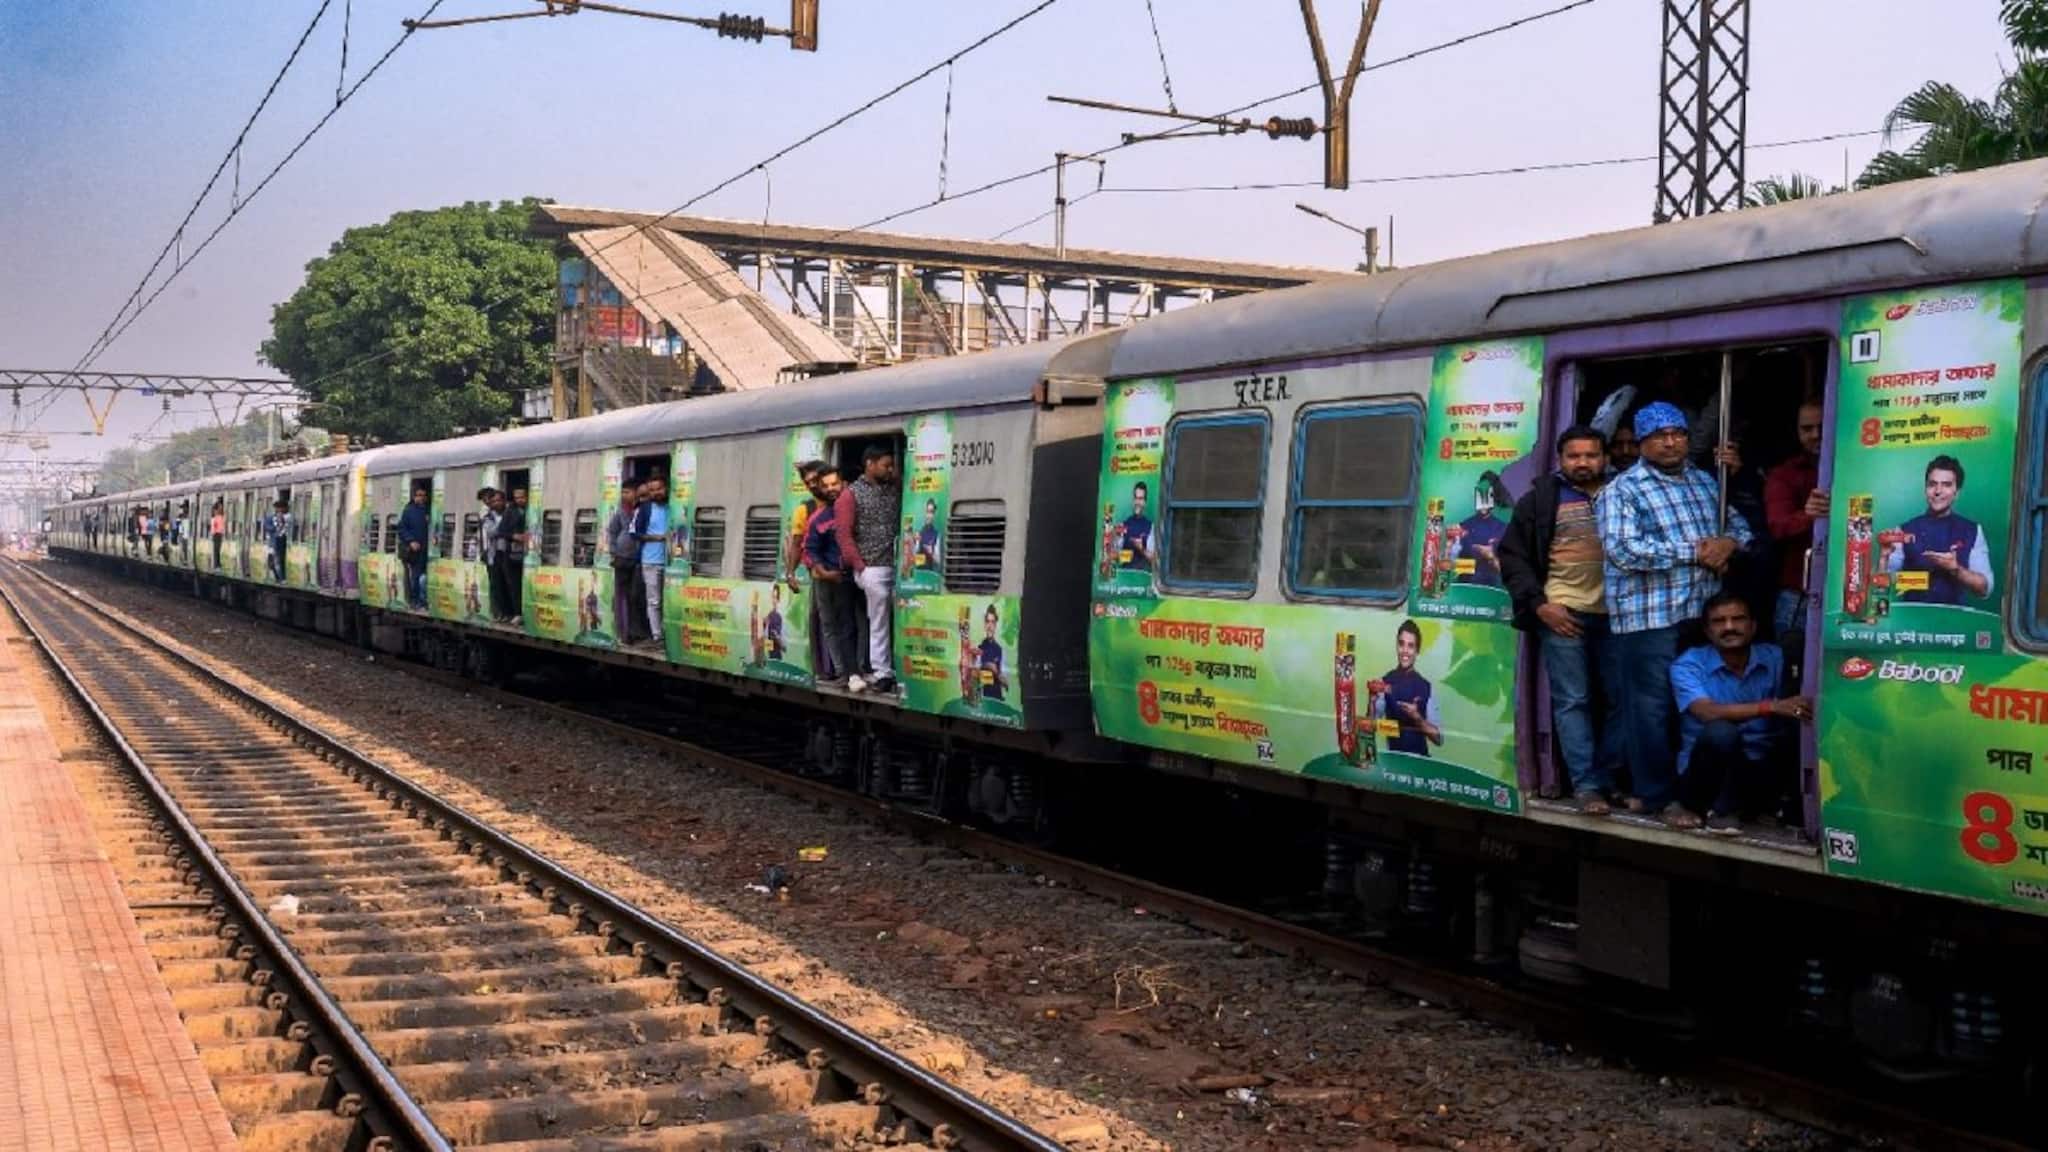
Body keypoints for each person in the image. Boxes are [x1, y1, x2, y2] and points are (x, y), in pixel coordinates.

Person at [1596, 402, 1754, 829]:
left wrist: (1728, 544)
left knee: (1698, 704)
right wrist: (1696, 552)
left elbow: (1739, 529)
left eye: (1678, 433)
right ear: (1642, 443)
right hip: (1649, 618)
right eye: (1659, 436)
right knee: (1650, 711)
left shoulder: (1704, 481)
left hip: (1699, 614)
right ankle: (1657, 797)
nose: (1670, 442)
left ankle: (1700, 793)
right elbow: (1623, 550)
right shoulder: (1622, 489)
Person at [1499, 425, 1624, 814]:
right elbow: (1512, 557)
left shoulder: (1624, 491)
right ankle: (1587, 787)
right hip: (1563, 612)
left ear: (1605, 458)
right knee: (1574, 701)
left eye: (1591, 455)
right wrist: (1540, 605)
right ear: (1561, 460)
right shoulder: (1539, 500)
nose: (1583, 462)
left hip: (1620, 615)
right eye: (1574, 456)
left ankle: (1611, 780)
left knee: (1623, 700)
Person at [1668, 592, 1812, 833]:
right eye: (1719, 621)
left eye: (1738, 619)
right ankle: (1716, 810)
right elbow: (1707, 712)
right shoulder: (1689, 664)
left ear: (1753, 626)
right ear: (1707, 631)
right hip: (1705, 776)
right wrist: (1771, 706)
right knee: (1721, 732)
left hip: (1757, 768)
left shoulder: (1775, 658)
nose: (1729, 627)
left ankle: (1782, 808)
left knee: (1801, 722)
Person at [835, 445, 901, 694]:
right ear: (869, 464)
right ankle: (882, 671)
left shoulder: (892, 488)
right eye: (886, 465)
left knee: (891, 618)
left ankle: (890, 668)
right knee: (879, 620)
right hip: (872, 567)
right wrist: (860, 566)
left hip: (897, 565)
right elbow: (843, 533)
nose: (890, 470)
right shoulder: (850, 494)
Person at [1884, 454, 1992, 605]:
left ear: (1956, 492)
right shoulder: (1904, 530)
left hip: (1954, 618)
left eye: (1946, 485)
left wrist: (1955, 569)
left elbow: (1984, 588)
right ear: (1925, 489)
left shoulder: (1972, 530)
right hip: (1913, 618)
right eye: (1932, 484)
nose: (1938, 491)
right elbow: (1884, 584)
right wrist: (1884, 557)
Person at [1762, 400, 1829, 641]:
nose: (1816, 435)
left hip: (1853, 587)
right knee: (1794, 661)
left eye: (1823, 426)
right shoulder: (1785, 474)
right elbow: (1778, 526)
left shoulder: (1860, 467)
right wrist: (1808, 515)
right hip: (1800, 593)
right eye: (1807, 429)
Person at [804, 466, 855, 686]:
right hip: (827, 577)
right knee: (831, 624)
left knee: (854, 623)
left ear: (843, 484)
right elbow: (810, 549)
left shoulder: (854, 509)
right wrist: (824, 572)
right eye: (825, 486)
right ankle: (842, 671)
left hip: (851, 576)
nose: (830, 489)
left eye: (834, 484)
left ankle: (859, 669)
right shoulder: (818, 518)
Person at [1371, 619, 1442, 756]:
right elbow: (1370, 727)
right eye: (1401, 644)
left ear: (1417, 651)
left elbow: (1439, 739)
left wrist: (1417, 718)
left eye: (1410, 646)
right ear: (1396, 645)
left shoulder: (1427, 688)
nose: (1405, 651)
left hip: (1420, 763)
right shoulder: (1384, 682)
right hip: (1393, 762)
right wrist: (1372, 701)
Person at [1454, 471, 1512, 587]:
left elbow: (1508, 572)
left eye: (1488, 494)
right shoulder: (1463, 526)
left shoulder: (1503, 528)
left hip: (1492, 590)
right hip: (1465, 588)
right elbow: (1456, 566)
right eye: (1480, 494)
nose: (1483, 499)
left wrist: (1491, 558)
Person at [606, 482, 644, 643]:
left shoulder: (643, 509)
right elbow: (612, 530)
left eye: (627, 492)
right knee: (625, 595)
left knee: (636, 595)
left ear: (636, 492)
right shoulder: (621, 511)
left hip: (639, 557)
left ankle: (638, 630)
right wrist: (614, 551)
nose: (624, 495)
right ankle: (626, 632)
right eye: (622, 492)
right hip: (622, 558)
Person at [634, 477, 669, 649]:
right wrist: (658, 538)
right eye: (652, 490)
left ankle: (667, 633)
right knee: (654, 601)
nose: (656, 493)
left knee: (668, 600)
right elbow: (635, 533)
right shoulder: (645, 509)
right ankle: (657, 637)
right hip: (651, 561)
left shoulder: (672, 507)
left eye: (659, 488)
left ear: (666, 488)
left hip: (671, 562)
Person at [784, 460, 825, 595]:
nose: (812, 485)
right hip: (818, 573)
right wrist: (790, 573)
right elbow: (797, 544)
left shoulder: (841, 502)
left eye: (815, 480)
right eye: (808, 483)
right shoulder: (804, 510)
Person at [495, 488, 530, 625]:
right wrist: (514, 536)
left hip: (528, 552)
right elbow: (501, 531)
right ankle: (517, 613)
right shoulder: (510, 511)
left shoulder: (532, 510)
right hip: (512, 554)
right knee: (514, 585)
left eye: (522, 497)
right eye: (517, 498)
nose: (519, 500)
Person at [397, 487, 430, 608]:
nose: (421, 498)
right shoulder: (408, 511)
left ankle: (423, 601)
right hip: (414, 551)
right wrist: (411, 541)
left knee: (425, 576)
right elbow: (401, 529)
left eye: (424, 495)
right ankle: (414, 601)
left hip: (426, 549)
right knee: (415, 576)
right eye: (419, 495)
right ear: (414, 496)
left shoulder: (428, 510)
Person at [478, 488, 505, 618]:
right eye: (484, 500)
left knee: (503, 584)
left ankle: (503, 612)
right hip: (491, 554)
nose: (487, 502)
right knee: (494, 584)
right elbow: (490, 533)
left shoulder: (504, 512)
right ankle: (497, 612)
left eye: (489, 499)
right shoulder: (487, 515)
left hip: (503, 553)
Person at [1118, 481, 1156, 571]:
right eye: (1136, 498)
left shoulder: (1150, 527)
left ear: (1145, 502)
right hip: (1125, 575)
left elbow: (1153, 560)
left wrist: (1141, 549)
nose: (1137, 502)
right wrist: (1113, 536)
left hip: (1142, 577)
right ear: (1133, 500)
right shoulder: (1124, 525)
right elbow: (1115, 556)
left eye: (1141, 498)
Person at [976, 603, 1008, 702]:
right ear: (985, 624)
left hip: (998, 698)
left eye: (992, 622)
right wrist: (989, 667)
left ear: (995, 625)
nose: (990, 625)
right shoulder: (979, 648)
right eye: (987, 621)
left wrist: (999, 675)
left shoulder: (999, 649)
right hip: (985, 698)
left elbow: (1002, 676)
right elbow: (976, 675)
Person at [913, 498, 942, 575]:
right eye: (927, 512)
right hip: (917, 574)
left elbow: (938, 562)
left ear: (934, 514)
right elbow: (910, 560)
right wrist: (917, 544)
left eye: (931, 512)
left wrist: (930, 553)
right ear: (924, 513)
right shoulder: (918, 533)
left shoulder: (936, 534)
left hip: (930, 575)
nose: (929, 515)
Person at [268, 499, 292, 582]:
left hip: (282, 539)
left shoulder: (288, 517)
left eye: (278, 508)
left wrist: (280, 521)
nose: (277, 510)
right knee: (273, 560)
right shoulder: (274, 517)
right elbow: (272, 527)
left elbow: (284, 527)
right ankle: (278, 577)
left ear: (284, 508)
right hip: (275, 540)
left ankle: (282, 578)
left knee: (280, 559)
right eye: (276, 508)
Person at [763, 584, 786, 662]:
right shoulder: (769, 615)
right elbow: (766, 637)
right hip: (771, 652)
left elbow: (784, 647)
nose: (774, 600)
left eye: (776, 597)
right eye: (772, 597)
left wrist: (778, 640)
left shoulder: (779, 615)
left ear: (778, 599)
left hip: (777, 653)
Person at [209, 501, 226, 571]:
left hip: (220, 534)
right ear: (216, 509)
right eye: (220, 507)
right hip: (217, 535)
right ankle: (217, 565)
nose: (221, 508)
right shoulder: (214, 518)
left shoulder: (221, 517)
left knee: (218, 550)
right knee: (217, 550)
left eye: (221, 507)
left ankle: (218, 565)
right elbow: (213, 528)